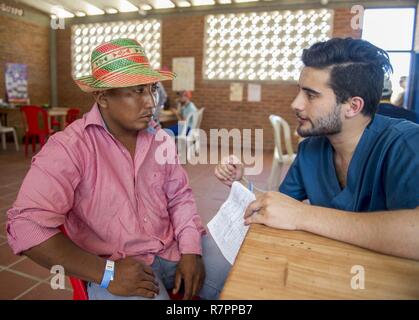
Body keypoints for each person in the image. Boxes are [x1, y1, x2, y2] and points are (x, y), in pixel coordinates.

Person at [7, 38, 230, 300]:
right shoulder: (69, 148)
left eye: (151, 89)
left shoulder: (160, 139)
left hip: (172, 248)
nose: (150, 103)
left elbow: (180, 197)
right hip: (119, 265)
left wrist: (191, 249)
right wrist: (105, 272)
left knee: (241, 274)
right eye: (136, 91)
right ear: (102, 97)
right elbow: (25, 226)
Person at [215, 38, 419, 261]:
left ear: (352, 106)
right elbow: (281, 204)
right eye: (299, 91)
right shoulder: (311, 150)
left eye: (310, 95)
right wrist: (242, 181)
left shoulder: (405, 144)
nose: (296, 104)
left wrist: (304, 215)